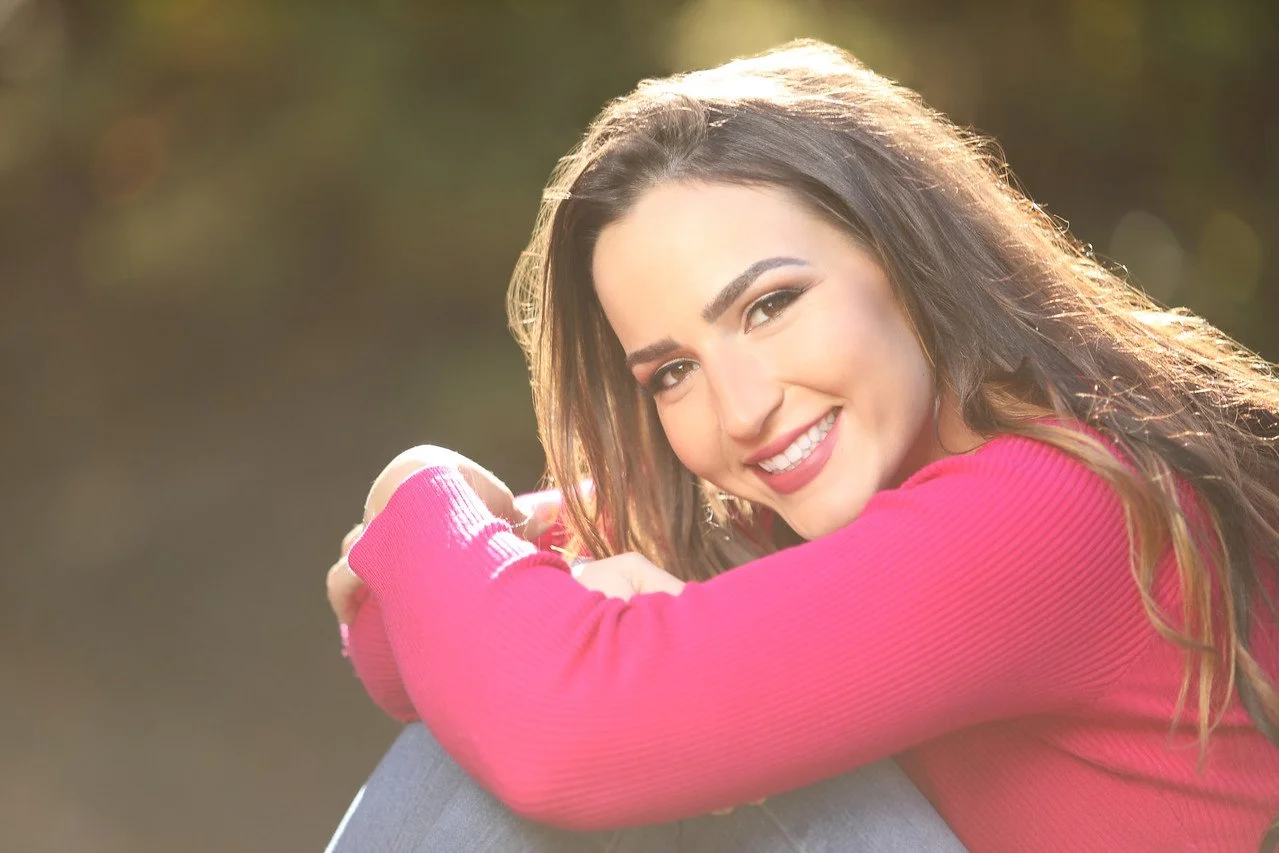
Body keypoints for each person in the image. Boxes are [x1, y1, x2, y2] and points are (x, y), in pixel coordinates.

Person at [324, 39, 1279, 851]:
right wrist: (491, 578)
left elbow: (545, 723)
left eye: (769, 305)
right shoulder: (817, 497)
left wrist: (420, 485)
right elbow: (404, 650)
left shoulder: (1055, 501)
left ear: (902, 255)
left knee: (588, 735)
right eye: (671, 372)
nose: (740, 410)